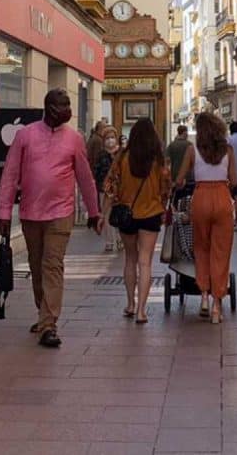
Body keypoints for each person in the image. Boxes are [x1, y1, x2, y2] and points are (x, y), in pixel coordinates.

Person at [0, 89, 102, 348]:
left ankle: (48, 323)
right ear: (48, 107)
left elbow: (85, 177)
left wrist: (94, 211)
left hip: (61, 212)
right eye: (62, 105)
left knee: (52, 264)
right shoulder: (25, 135)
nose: (67, 109)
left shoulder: (74, 139)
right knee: (36, 265)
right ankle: (43, 311)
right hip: (31, 213)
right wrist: (4, 213)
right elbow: (10, 176)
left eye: (68, 104)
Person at [100, 118, 172, 324]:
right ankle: (142, 310)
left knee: (130, 259)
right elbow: (166, 187)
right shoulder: (159, 160)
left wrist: (103, 213)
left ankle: (130, 304)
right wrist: (162, 206)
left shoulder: (122, 157)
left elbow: (110, 186)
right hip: (151, 214)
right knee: (145, 261)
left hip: (127, 215)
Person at [175, 112, 237, 323]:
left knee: (201, 248)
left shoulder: (193, 150)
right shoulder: (228, 150)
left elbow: (180, 180)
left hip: (200, 199)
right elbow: (235, 180)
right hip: (222, 197)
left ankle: (203, 295)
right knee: (221, 251)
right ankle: (216, 305)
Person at [91, 125, 122, 253]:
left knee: (120, 214)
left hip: (119, 190)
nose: (110, 140)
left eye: (112, 137)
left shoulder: (121, 153)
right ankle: (109, 241)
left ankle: (120, 239)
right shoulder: (101, 154)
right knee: (107, 216)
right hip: (104, 190)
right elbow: (96, 172)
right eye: (107, 138)